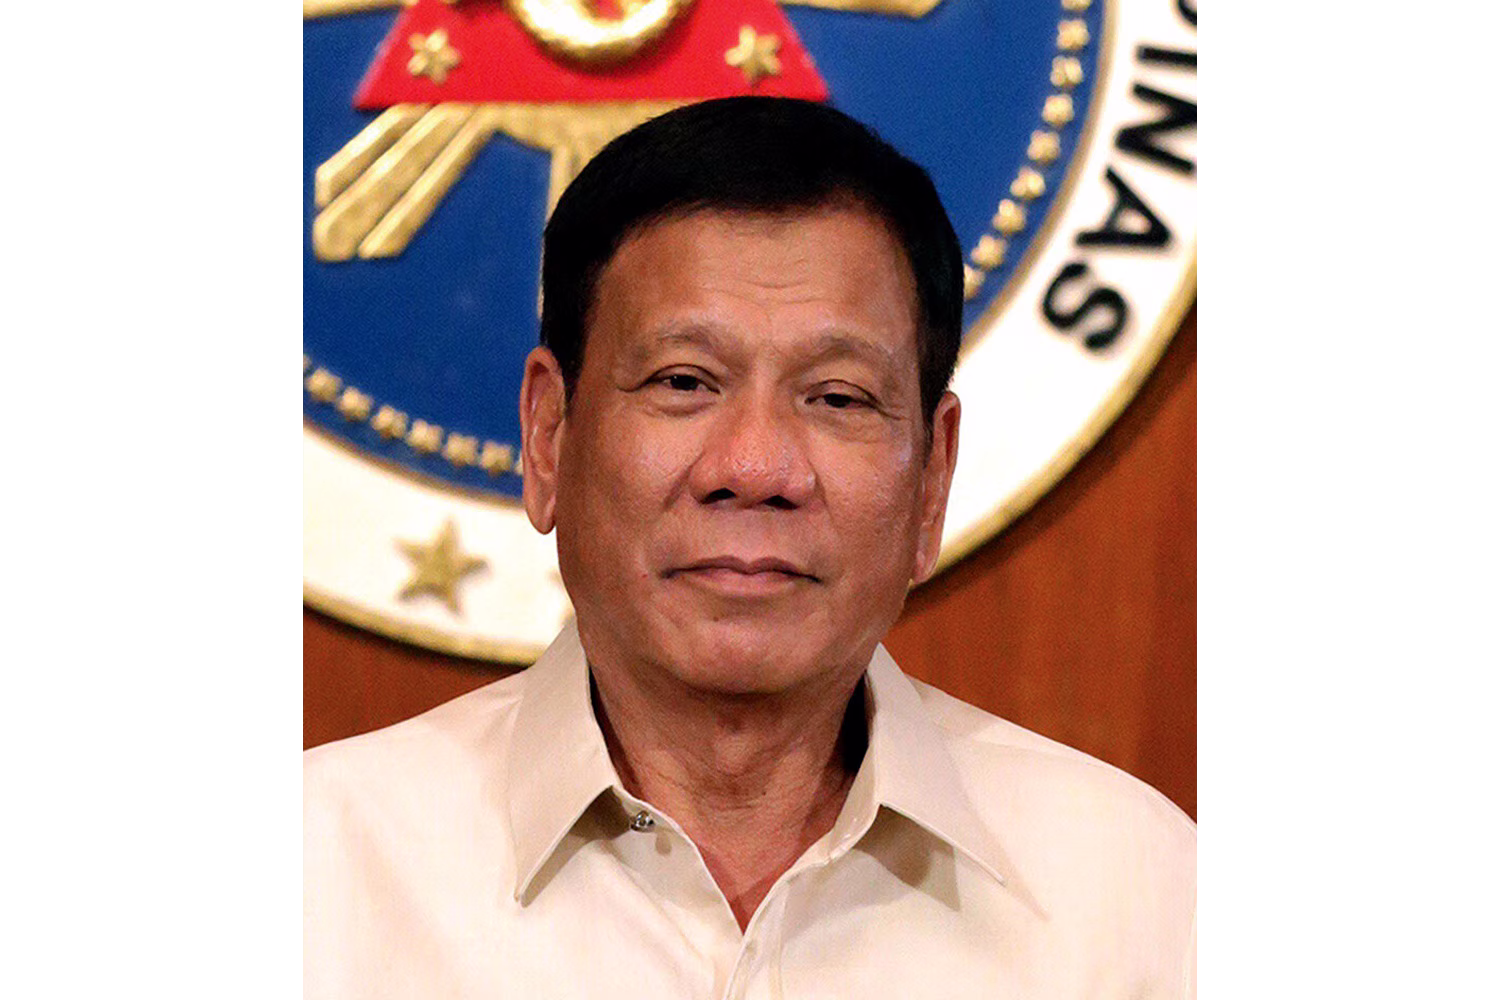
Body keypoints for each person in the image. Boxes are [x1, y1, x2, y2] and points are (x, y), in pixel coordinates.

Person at [304, 97, 1196, 998]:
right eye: (684, 381)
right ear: (548, 436)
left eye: (839, 398)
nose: (756, 467)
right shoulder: (330, 869)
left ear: (932, 478)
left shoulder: (1129, 891)